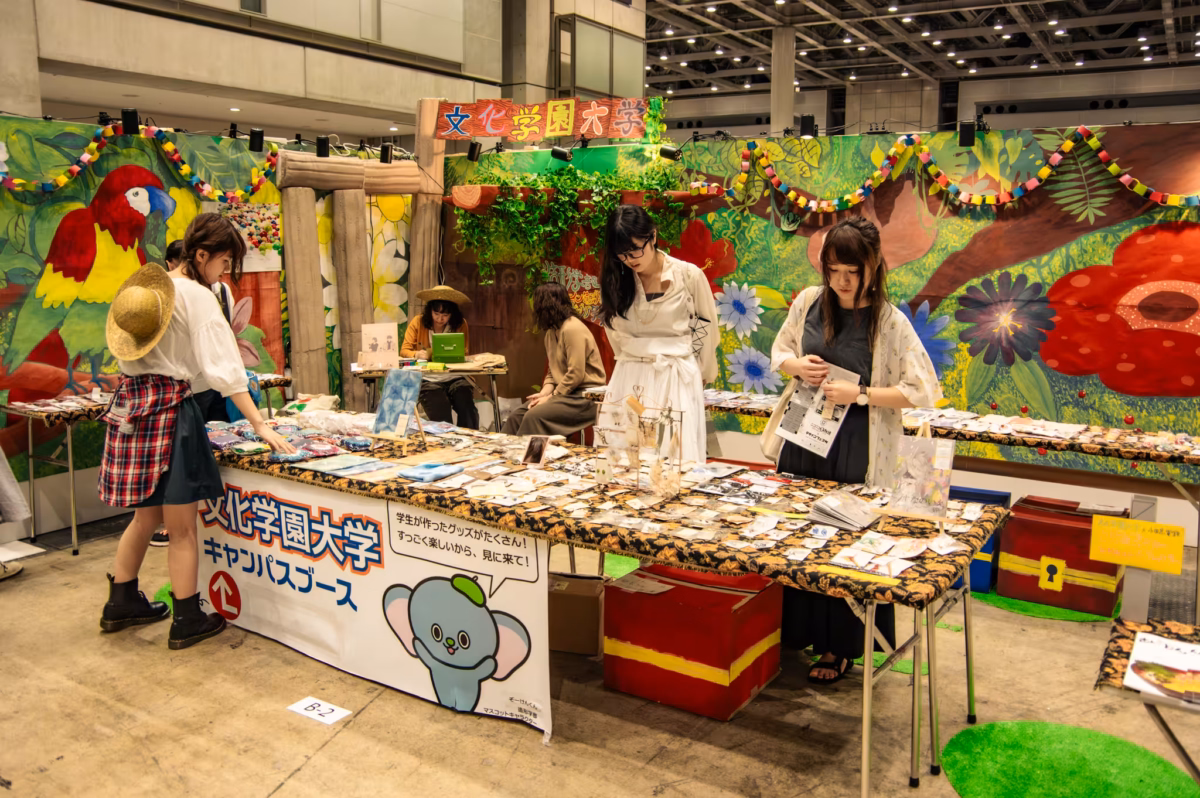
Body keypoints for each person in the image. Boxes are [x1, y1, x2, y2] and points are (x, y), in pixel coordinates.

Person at [97, 215, 294, 650]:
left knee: (145, 517)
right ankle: (187, 616)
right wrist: (260, 423)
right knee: (183, 526)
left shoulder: (147, 292)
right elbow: (226, 369)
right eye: (223, 262)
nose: (223, 273)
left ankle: (120, 601)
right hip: (169, 410)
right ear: (202, 255)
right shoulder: (197, 297)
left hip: (133, 408)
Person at [765, 216, 942, 684]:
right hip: (805, 435)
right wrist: (796, 364)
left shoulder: (888, 320)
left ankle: (839, 647)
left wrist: (861, 394)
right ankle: (792, 634)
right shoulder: (808, 302)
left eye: (853, 272)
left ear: (872, 267)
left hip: (858, 443)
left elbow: (921, 390)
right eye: (834, 270)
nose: (842, 282)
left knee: (845, 545)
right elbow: (778, 352)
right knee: (797, 535)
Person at [598, 205, 717, 464]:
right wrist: (630, 360)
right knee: (624, 458)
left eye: (635, 250)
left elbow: (706, 327)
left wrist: (701, 372)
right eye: (622, 255)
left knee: (673, 457)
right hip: (629, 375)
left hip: (675, 374)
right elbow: (614, 333)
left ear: (653, 236)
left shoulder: (688, 275)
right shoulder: (616, 279)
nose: (631, 260)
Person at [501, 282, 606, 437]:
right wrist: (543, 394)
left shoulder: (572, 328)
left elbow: (576, 373)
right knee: (517, 416)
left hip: (588, 396)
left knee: (534, 416)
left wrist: (552, 397)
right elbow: (552, 372)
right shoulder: (551, 332)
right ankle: (502, 455)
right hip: (567, 394)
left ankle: (528, 458)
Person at [400, 286, 479, 430]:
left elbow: (464, 353)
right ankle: (446, 447)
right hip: (428, 379)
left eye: (445, 315)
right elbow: (404, 350)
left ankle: (469, 443)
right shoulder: (418, 322)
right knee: (443, 419)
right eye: (436, 313)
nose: (440, 319)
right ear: (429, 310)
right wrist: (416, 354)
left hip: (455, 377)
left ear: (452, 314)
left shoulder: (460, 324)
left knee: (468, 412)